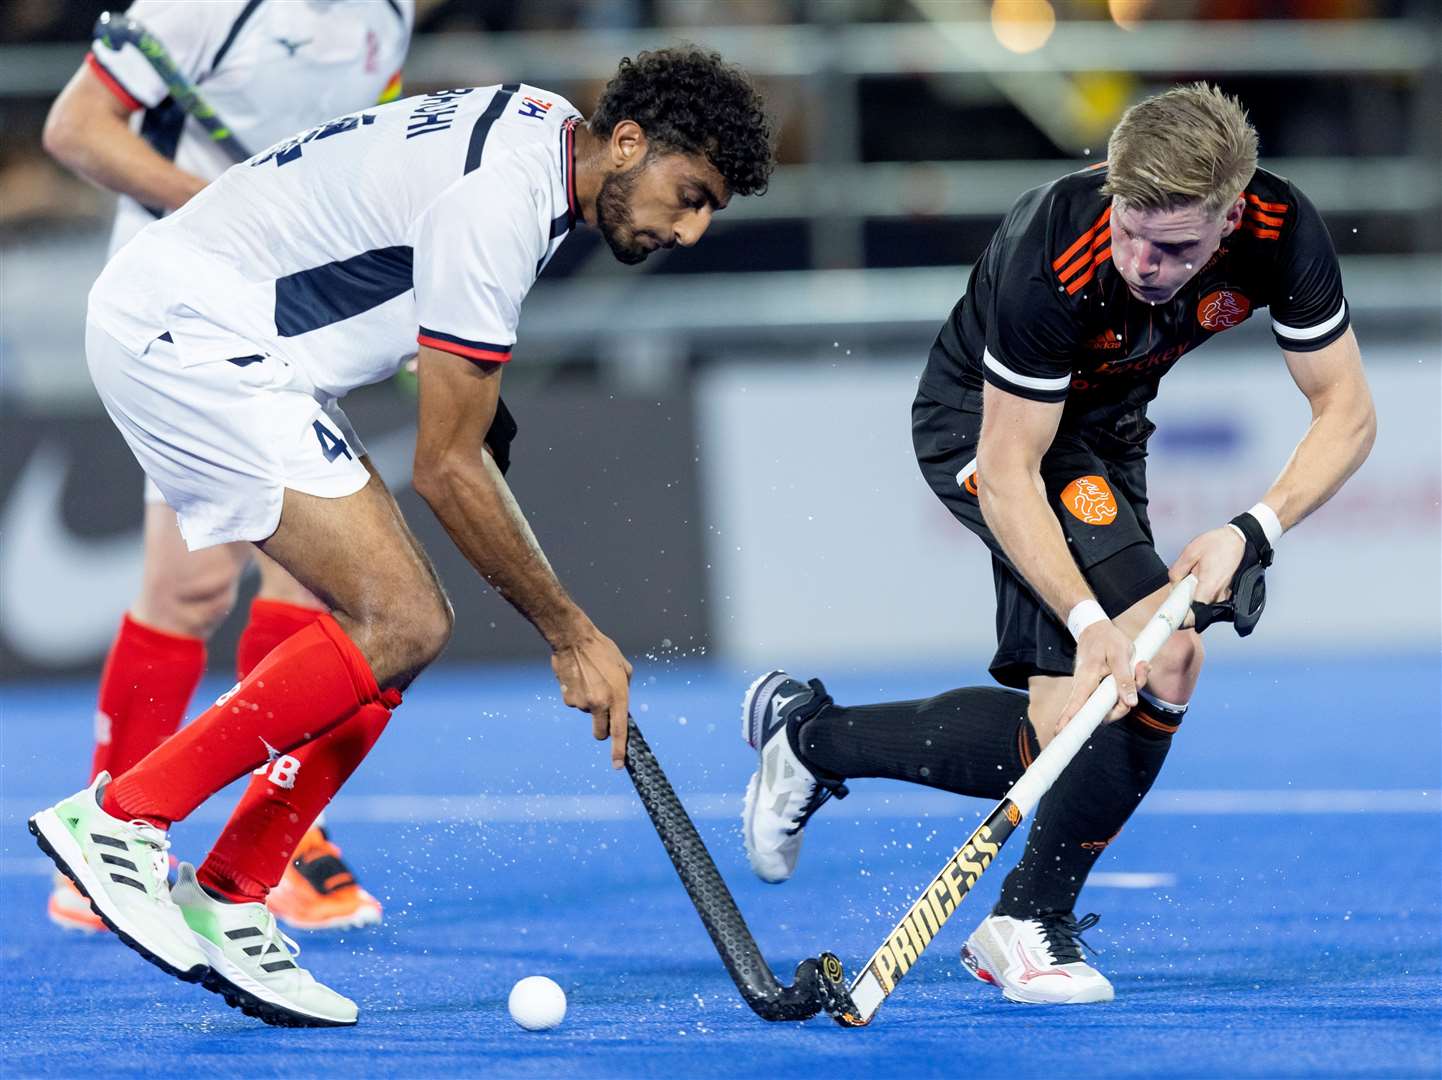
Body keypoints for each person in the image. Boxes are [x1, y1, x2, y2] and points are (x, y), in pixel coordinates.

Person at [29, 47, 774, 1028]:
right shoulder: (502, 198)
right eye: (689, 195)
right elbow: (446, 469)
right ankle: (122, 819)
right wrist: (570, 633)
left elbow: (418, 294)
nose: (689, 227)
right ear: (627, 141)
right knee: (405, 616)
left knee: (401, 622)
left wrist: (477, 407)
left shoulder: (546, 132)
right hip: (200, 337)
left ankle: (228, 893)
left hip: (211, 329)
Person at [741, 83, 1374, 1005]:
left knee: (1070, 720)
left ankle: (811, 739)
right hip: (987, 430)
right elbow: (1009, 471)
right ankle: (1026, 918)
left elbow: (1347, 412)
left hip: (1108, 428)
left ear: (1231, 215)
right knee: (1162, 658)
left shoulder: (1280, 226)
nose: (1146, 265)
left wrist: (1253, 529)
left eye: (1176, 249)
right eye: (1131, 232)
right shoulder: (1057, 251)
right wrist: (1086, 617)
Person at [41, 0, 413, 935]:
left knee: (315, 566)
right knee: (193, 587)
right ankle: (104, 850)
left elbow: (365, 145)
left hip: (300, 307)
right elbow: (74, 128)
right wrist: (240, 211)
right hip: (178, 300)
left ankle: (275, 841)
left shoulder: (392, 11)